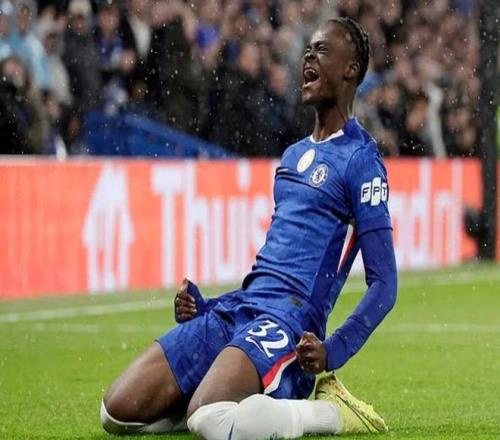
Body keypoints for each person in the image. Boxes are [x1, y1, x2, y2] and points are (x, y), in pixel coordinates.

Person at [101, 17, 398, 439]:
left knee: (210, 416)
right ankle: (222, 398)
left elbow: (385, 284)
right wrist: (207, 308)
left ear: (351, 69)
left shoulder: (361, 160)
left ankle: (330, 413)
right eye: (307, 49)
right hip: (241, 307)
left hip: (290, 323)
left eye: (321, 50)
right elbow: (274, 267)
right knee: (117, 413)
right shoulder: (293, 156)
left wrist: (333, 351)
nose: (308, 57)